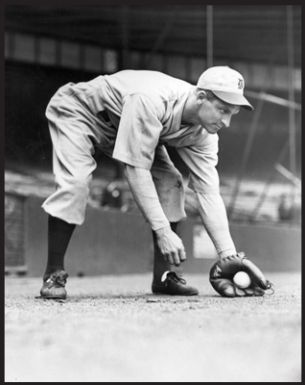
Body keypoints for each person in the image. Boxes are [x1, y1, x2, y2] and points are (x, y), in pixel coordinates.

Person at [40, 66, 270, 300]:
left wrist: (228, 256)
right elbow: (136, 170)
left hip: (129, 122)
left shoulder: (205, 134)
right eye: (222, 110)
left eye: (232, 113)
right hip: (83, 112)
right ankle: (53, 273)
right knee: (76, 183)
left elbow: (208, 193)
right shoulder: (152, 100)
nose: (227, 122)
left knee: (171, 181)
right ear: (201, 97)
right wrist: (163, 231)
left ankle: (165, 277)